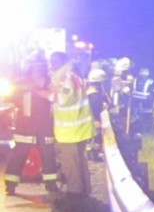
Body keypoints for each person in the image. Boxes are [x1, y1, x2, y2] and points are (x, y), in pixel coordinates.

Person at [3, 60, 58, 197]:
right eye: (35, 68)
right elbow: (10, 98)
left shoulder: (50, 82)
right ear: (30, 69)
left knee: (48, 155)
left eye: (40, 68)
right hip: (25, 127)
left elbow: (55, 98)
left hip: (45, 126)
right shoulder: (21, 83)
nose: (37, 71)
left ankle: (51, 184)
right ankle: (10, 185)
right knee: (18, 155)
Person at [49, 51, 94, 196]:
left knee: (70, 163)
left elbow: (64, 99)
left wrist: (45, 94)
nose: (52, 64)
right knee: (80, 161)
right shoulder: (74, 75)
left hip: (70, 130)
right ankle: (84, 190)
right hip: (78, 128)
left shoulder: (65, 77)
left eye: (55, 61)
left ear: (63, 62)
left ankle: (75, 193)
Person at [85, 67, 108, 161]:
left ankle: (92, 154)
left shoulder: (89, 92)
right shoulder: (93, 95)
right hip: (93, 121)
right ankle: (95, 155)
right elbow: (95, 108)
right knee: (95, 139)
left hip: (89, 121)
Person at [109, 57, 135, 135]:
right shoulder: (117, 80)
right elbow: (122, 93)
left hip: (117, 108)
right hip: (119, 109)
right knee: (120, 130)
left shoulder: (115, 79)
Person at [131, 66, 154, 135]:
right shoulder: (135, 80)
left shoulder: (151, 82)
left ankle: (146, 130)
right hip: (137, 103)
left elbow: (152, 93)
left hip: (146, 104)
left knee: (146, 117)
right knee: (137, 117)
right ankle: (138, 130)